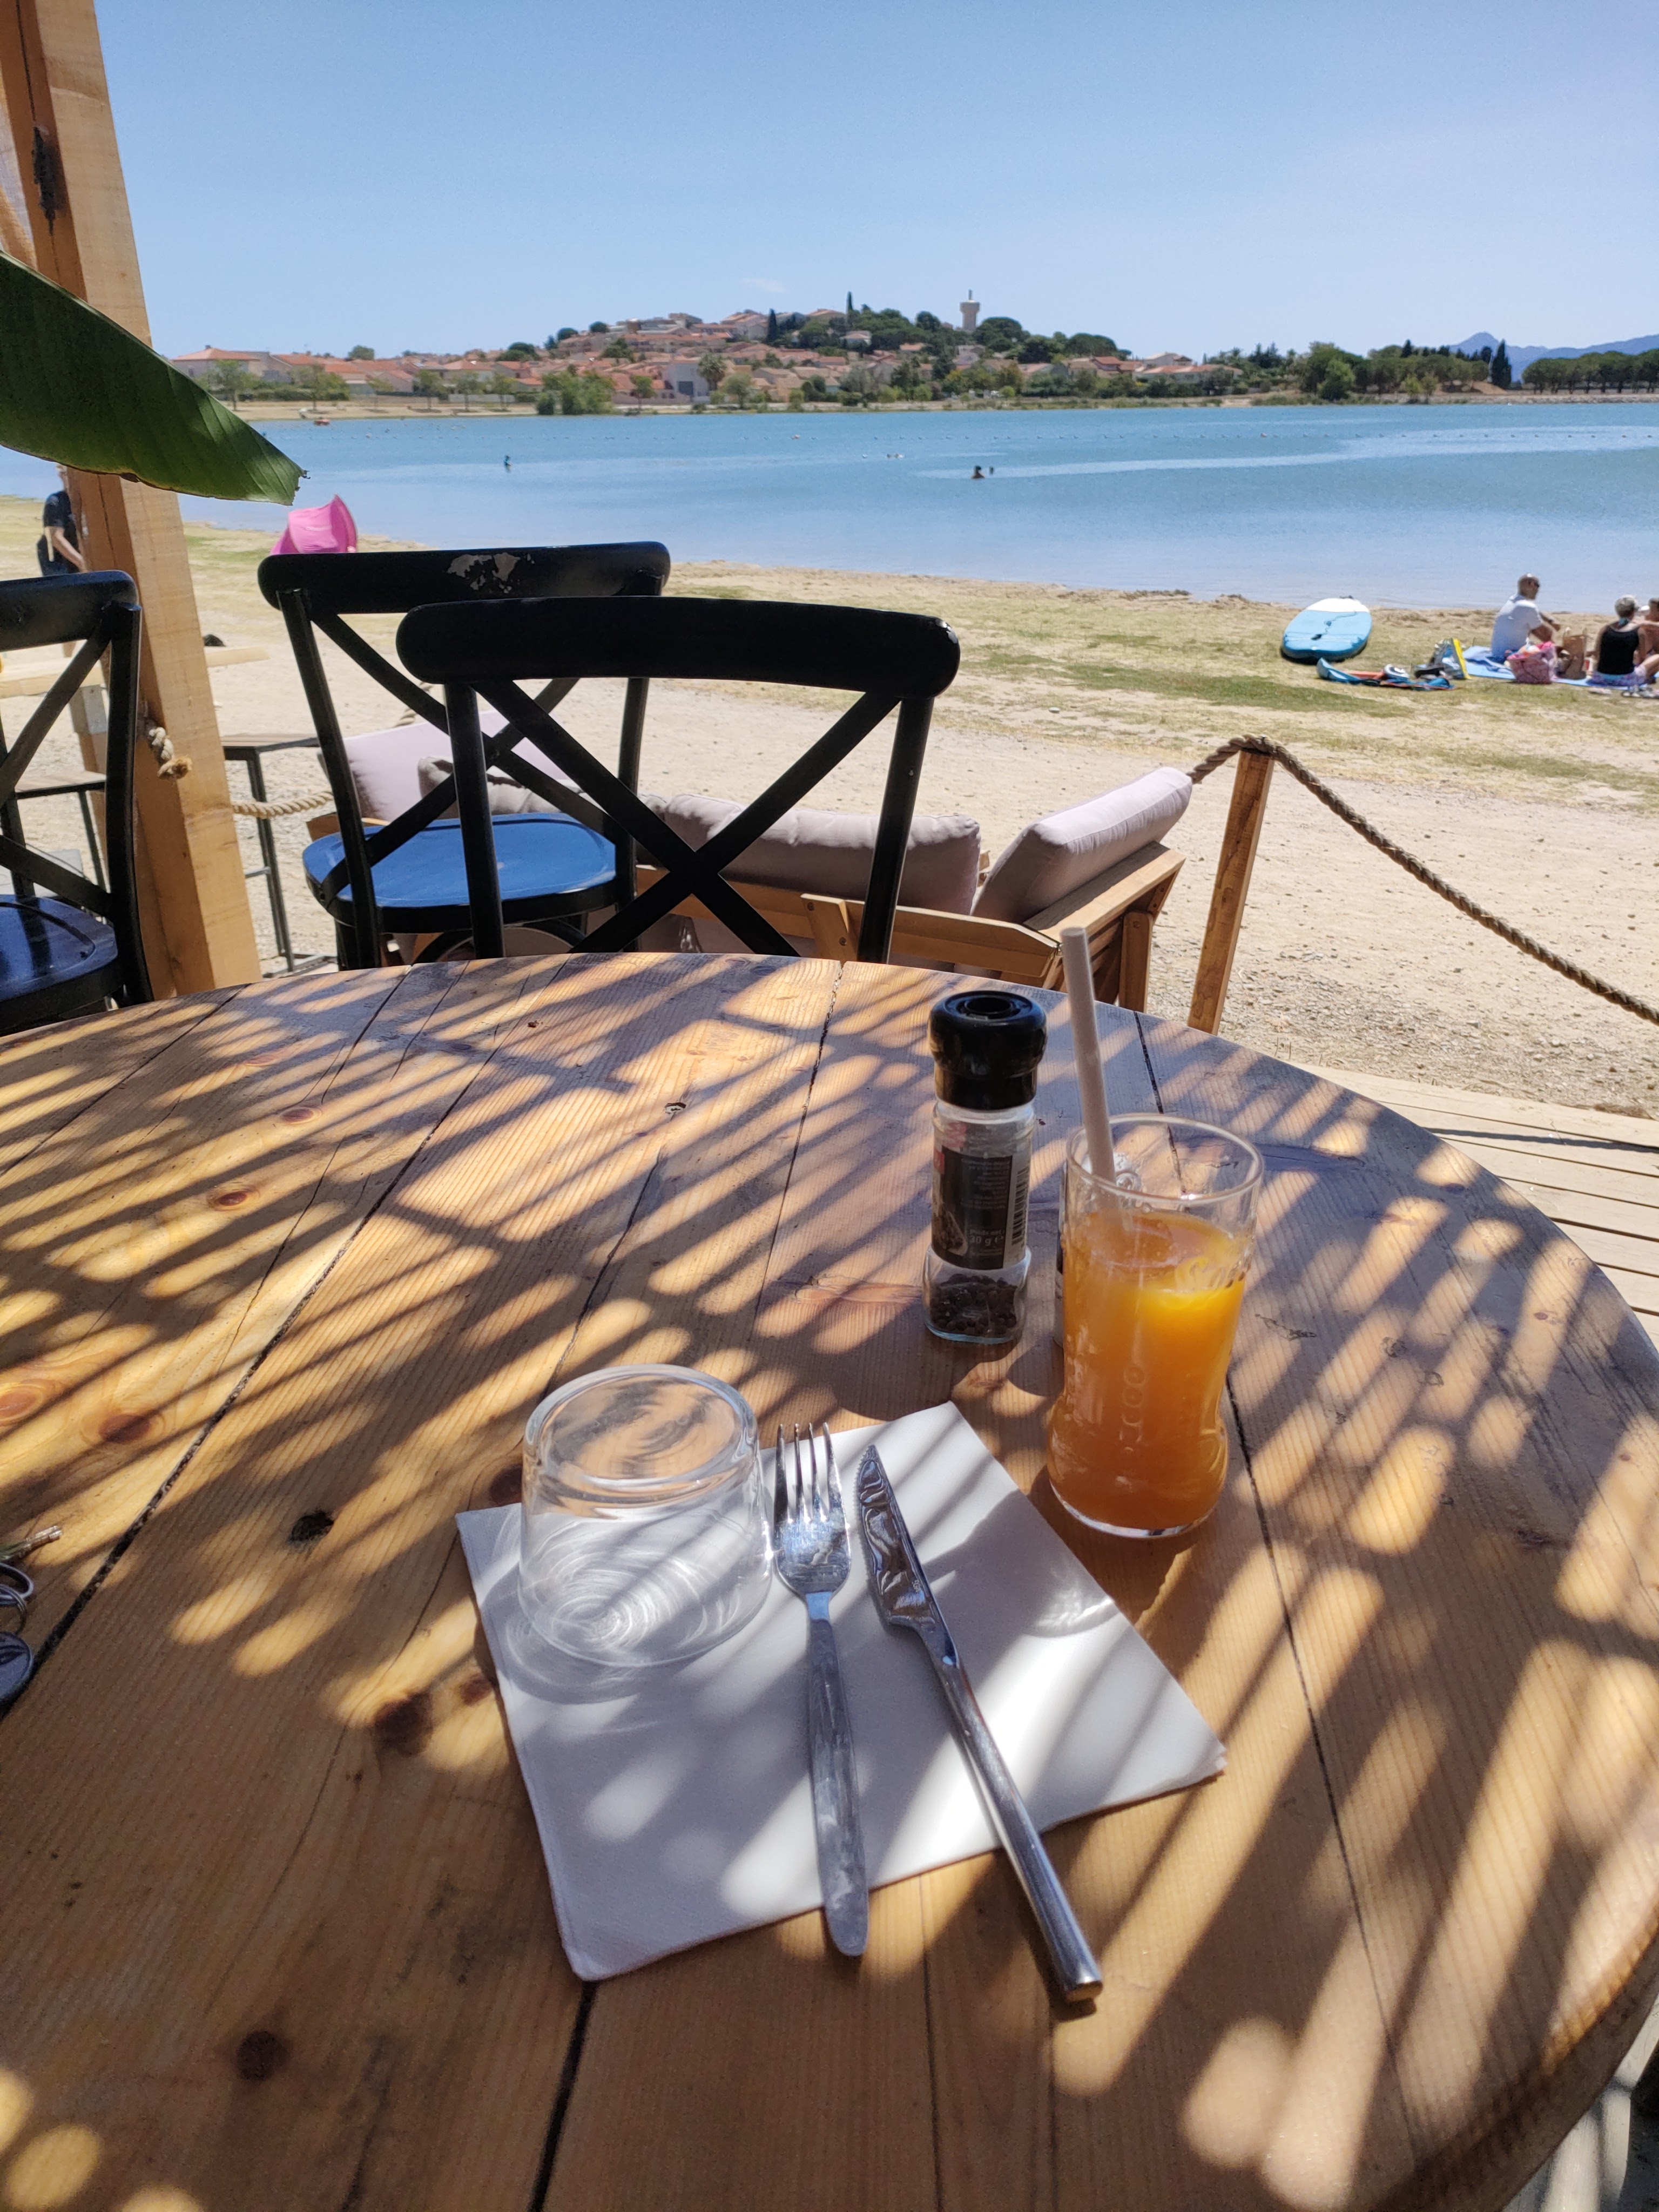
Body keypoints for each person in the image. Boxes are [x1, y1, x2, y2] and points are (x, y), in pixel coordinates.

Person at [1587, 596, 1659, 689]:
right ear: (1634, 611)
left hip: (1600, 678)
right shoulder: (1639, 631)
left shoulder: (1605, 629)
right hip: (1625, 680)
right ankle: (1648, 678)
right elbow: (1642, 659)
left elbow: (1597, 655)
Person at [1489, 575, 1553, 659]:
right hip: (1511, 657)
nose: (1538, 590)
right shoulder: (1529, 607)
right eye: (1538, 586)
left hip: (1496, 653)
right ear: (1532, 585)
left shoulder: (1510, 602)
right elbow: (1547, 635)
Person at [36, 468, 84, 576]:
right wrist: (82, 563)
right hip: (67, 570)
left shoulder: (89, 501)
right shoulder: (56, 502)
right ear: (61, 476)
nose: (71, 478)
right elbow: (57, 538)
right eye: (66, 474)